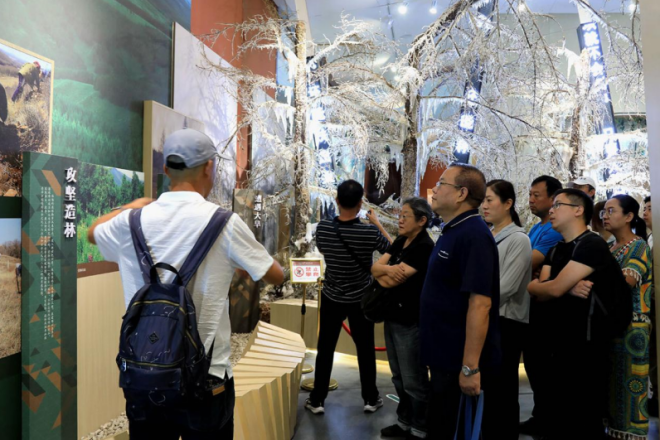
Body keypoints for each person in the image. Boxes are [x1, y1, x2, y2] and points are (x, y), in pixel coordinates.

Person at [87, 129, 284, 439]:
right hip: (207, 380)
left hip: (145, 377)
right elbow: (276, 275)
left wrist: (132, 205)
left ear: (166, 169)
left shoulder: (129, 222)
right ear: (209, 167)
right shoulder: (225, 224)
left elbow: (92, 232)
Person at [528, 188, 627, 439]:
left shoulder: (591, 244)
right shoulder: (557, 249)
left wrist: (553, 286)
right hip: (560, 342)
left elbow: (552, 288)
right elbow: (538, 291)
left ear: (578, 210)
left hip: (587, 345)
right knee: (560, 417)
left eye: (557, 205)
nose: (551, 210)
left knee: (583, 419)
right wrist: (561, 287)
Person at [419, 164, 501, 439]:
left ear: (461, 194)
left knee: (450, 428)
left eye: (441, 183)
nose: (434, 189)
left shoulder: (474, 235)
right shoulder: (453, 230)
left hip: (456, 360)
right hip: (443, 356)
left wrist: (469, 367)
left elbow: (480, 304)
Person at [306, 179, 392, 415]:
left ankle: (317, 400)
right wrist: (377, 223)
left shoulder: (324, 228)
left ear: (336, 200)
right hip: (361, 298)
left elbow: (323, 249)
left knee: (325, 349)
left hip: (332, 296)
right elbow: (392, 249)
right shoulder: (369, 232)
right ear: (361, 203)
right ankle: (370, 398)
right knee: (365, 350)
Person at [372, 197, 434, 439]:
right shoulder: (400, 240)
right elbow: (376, 270)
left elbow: (389, 280)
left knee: (413, 379)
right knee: (397, 375)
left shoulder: (424, 247)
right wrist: (388, 270)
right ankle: (404, 421)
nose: (400, 219)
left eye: (405, 216)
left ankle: (420, 427)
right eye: (400, 215)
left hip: (410, 320)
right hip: (392, 315)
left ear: (422, 220)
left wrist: (384, 273)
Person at [481, 180, 532, 440]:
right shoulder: (490, 234)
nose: (484, 205)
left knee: (502, 389)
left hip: (506, 322)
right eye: (483, 200)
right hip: (488, 318)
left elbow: (507, 287)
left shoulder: (518, 239)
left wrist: (474, 303)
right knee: (489, 387)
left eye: (489, 200)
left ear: (508, 203)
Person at [601, 195, 653, 439]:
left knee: (631, 384)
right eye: (604, 211)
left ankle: (631, 433)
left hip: (633, 326)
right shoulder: (611, 246)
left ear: (629, 216)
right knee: (613, 384)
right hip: (612, 324)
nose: (605, 215)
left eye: (611, 210)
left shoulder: (638, 245)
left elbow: (626, 282)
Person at [520, 175, 563, 436]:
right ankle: (540, 416)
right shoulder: (537, 228)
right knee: (534, 366)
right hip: (532, 304)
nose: (531, 200)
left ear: (553, 199)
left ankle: (548, 420)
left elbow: (527, 262)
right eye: (530, 195)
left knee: (544, 368)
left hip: (546, 309)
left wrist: (532, 273)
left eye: (537, 195)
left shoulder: (553, 231)